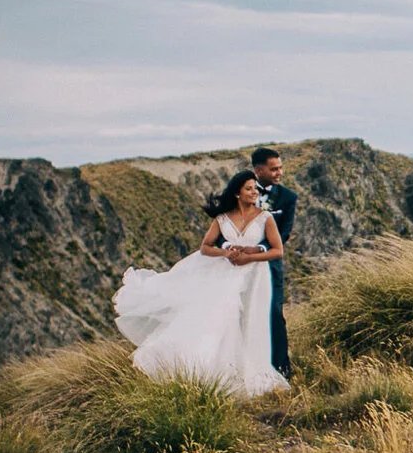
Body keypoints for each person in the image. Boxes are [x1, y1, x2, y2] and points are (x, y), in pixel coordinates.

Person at [111, 169, 289, 395]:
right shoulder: (222, 219)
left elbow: (277, 251)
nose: (255, 192)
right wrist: (226, 252)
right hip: (227, 274)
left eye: (255, 188)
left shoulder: (265, 218)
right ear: (237, 193)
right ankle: (218, 371)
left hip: (255, 276)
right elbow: (206, 247)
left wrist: (250, 256)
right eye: (249, 188)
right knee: (225, 320)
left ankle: (252, 370)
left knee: (252, 321)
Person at [251, 146, 298, 376]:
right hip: (240, 266)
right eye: (274, 169)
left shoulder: (288, 198)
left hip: (270, 266)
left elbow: (285, 234)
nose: (280, 173)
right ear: (259, 170)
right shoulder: (240, 193)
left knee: (274, 315)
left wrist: (259, 249)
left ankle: (281, 368)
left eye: (280, 168)